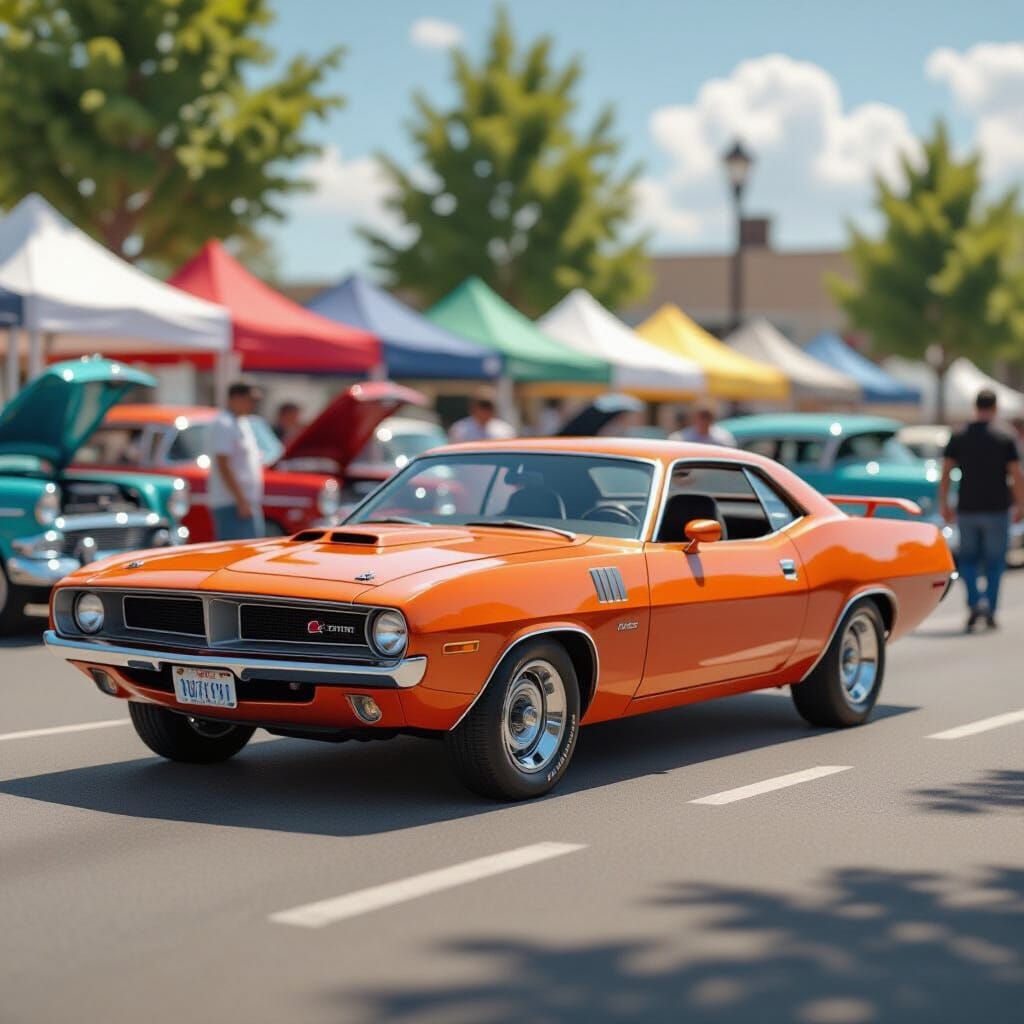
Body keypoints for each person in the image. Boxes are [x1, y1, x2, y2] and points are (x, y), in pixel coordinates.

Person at [940, 388, 1024, 631]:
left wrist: (944, 503)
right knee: (995, 563)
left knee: (967, 560)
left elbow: (946, 472)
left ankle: (975, 601)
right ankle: (989, 607)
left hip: (967, 507)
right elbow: (1016, 474)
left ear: (975, 407)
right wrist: (1021, 504)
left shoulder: (960, 434)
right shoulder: (1005, 436)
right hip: (997, 508)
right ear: (995, 408)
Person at [209, 381, 266, 541]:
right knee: (237, 550)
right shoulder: (224, 423)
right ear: (236, 398)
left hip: (245, 501)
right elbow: (223, 464)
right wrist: (240, 500)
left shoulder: (241, 422)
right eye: (250, 400)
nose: (253, 405)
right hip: (231, 503)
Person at [449, 386, 515, 443]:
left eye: (489, 406)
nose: (485, 411)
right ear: (473, 407)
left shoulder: (505, 431)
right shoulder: (459, 430)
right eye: (482, 405)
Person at [670, 403, 736, 446]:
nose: (703, 421)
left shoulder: (723, 438)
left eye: (706, 417)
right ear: (694, 419)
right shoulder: (681, 438)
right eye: (701, 417)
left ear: (712, 419)